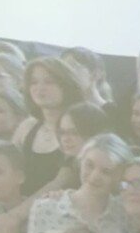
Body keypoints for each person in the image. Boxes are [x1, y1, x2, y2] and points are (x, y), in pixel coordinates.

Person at [18, 134, 135, 233]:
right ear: (80, 161)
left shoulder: (125, 215)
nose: (94, 176)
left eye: (106, 171)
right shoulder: (46, 208)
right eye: (89, 165)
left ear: (119, 176)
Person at [12, 56, 85, 196]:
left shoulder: (81, 125)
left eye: (49, 82)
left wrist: (19, 210)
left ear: (66, 86)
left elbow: (62, 182)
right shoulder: (26, 127)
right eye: (34, 82)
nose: (40, 88)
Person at [55, 102, 114, 190]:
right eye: (62, 132)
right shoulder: (70, 162)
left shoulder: (109, 165)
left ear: (94, 133)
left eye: (74, 133)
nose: (65, 139)